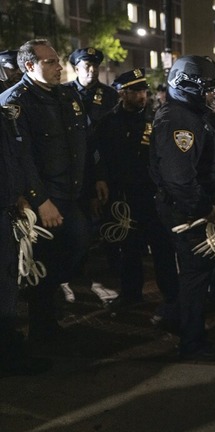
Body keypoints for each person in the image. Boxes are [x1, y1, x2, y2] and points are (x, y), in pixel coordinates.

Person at [0, 39, 94, 343]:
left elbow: (81, 145)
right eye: (50, 62)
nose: (59, 67)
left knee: (74, 251)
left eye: (58, 60)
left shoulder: (66, 96)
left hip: (70, 193)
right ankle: (42, 325)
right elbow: (21, 158)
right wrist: (40, 200)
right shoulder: (16, 102)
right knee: (44, 260)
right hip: (44, 199)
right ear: (30, 65)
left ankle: (45, 315)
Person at [149, 55, 215, 361]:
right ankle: (192, 341)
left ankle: (175, 317)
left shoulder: (188, 114)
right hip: (189, 211)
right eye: (207, 89)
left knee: (191, 274)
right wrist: (203, 208)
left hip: (189, 207)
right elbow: (179, 177)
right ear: (188, 87)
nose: (213, 96)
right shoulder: (179, 120)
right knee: (195, 276)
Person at [92, 68, 179, 319]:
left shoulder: (156, 119)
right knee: (128, 249)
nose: (142, 96)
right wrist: (100, 178)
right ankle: (131, 293)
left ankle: (172, 295)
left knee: (162, 248)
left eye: (144, 91)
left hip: (152, 195)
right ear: (123, 93)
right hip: (124, 197)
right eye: (136, 91)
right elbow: (97, 153)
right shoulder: (109, 121)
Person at [0, 64, 51, 375]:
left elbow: (10, 161)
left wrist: (17, 196)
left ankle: (9, 348)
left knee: (8, 284)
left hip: (7, 208)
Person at [62, 46, 120, 304]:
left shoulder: (108, 96)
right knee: (77, 228)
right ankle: (72, 273)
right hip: (72, 170)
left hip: (102, 168)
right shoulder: (63, 93)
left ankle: (108, 271)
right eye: (86, 65)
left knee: (103, 223)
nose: (92, 70)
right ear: (76, 68)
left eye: (95, 65)